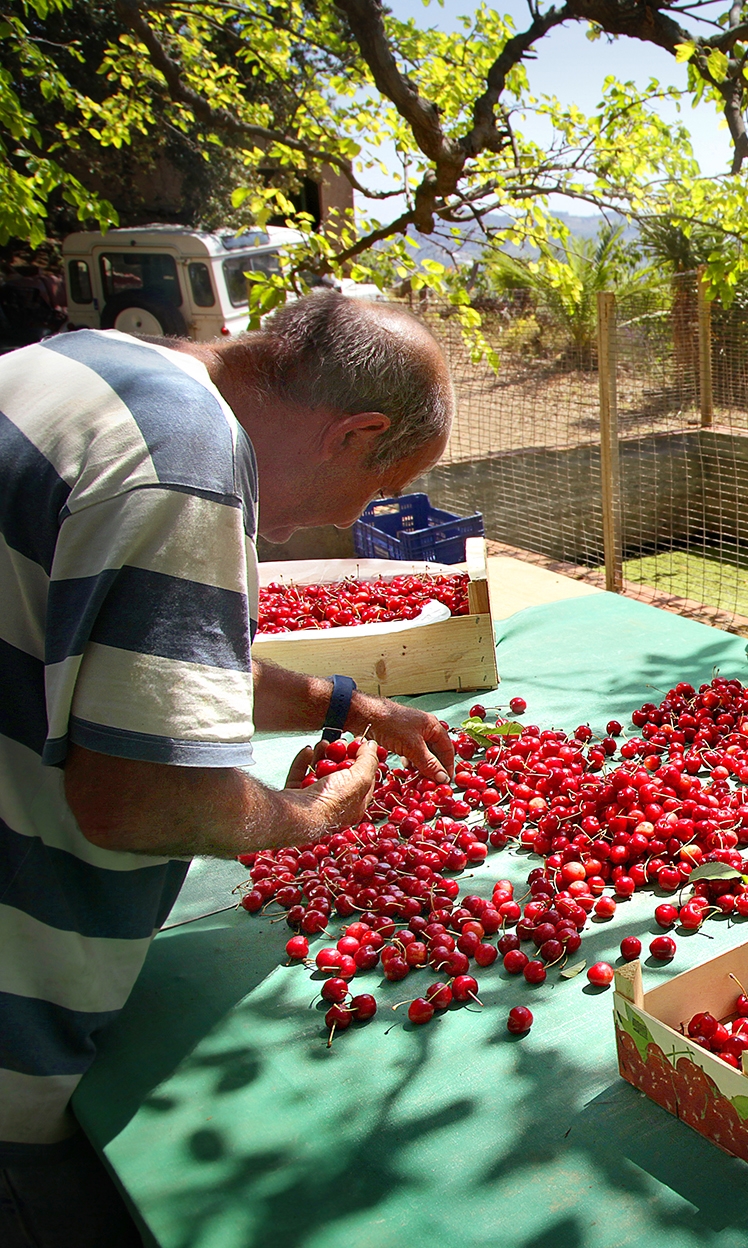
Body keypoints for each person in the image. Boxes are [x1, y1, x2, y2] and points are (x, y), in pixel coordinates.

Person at [0, 292, 456, 1246]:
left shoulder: (78, 365)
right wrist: (309, 815)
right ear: (355, 433)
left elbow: (115, 642)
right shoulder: (188, 468)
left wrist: (345, 704)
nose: (344, 521)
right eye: (377, 491)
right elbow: (139, 802)